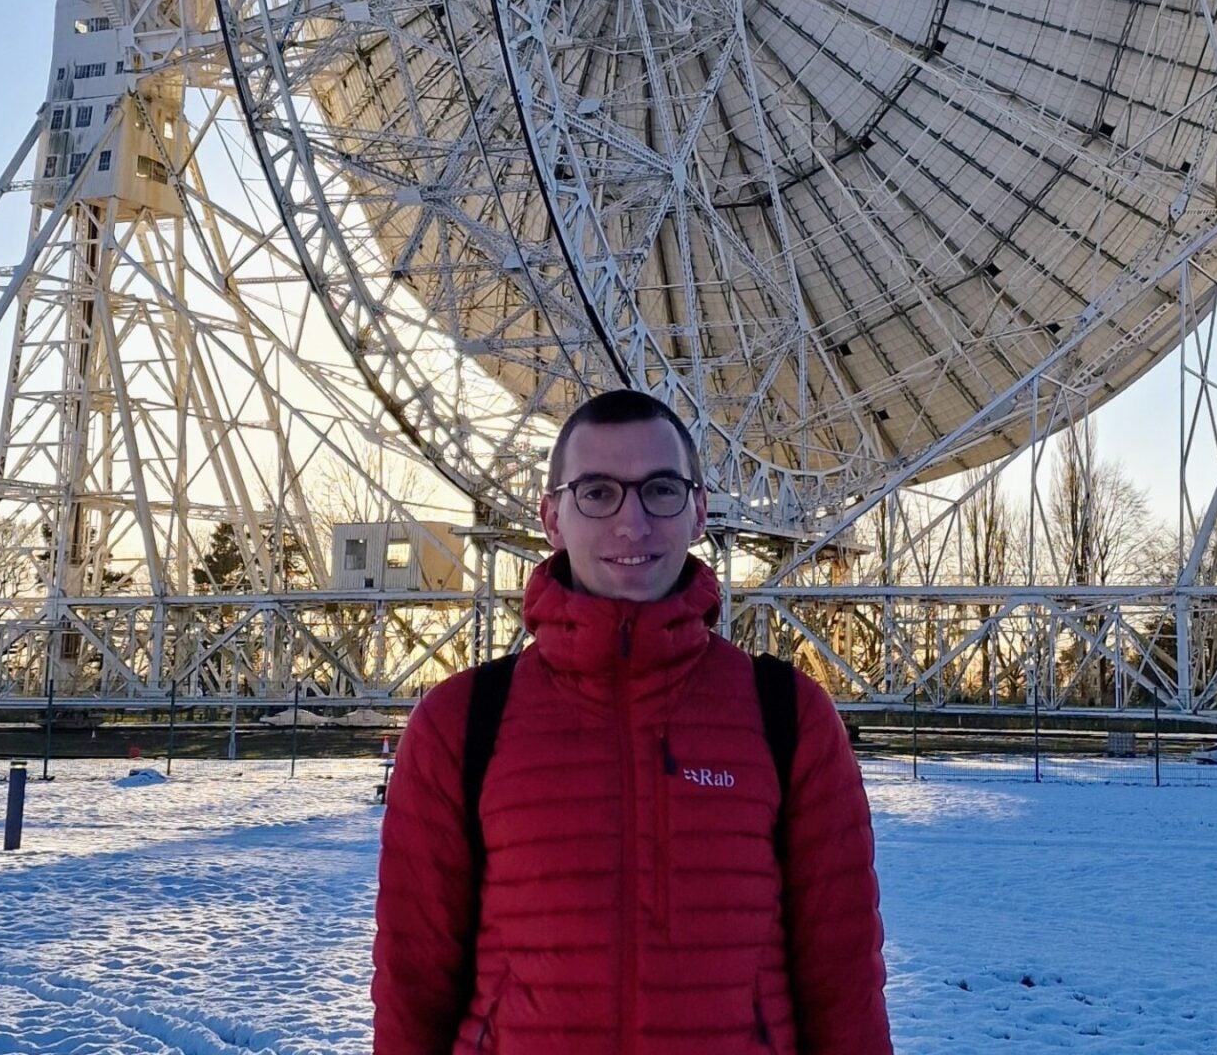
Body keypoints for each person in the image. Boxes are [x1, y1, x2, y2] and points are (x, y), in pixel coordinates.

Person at [373, 388, 893, 1055]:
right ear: (552, 517)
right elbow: (412, 986)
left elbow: (843, 982)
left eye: (660, 491)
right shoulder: (460, 724)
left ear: (700, 510)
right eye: (596, 492)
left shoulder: (787, 717)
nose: (632, 523)